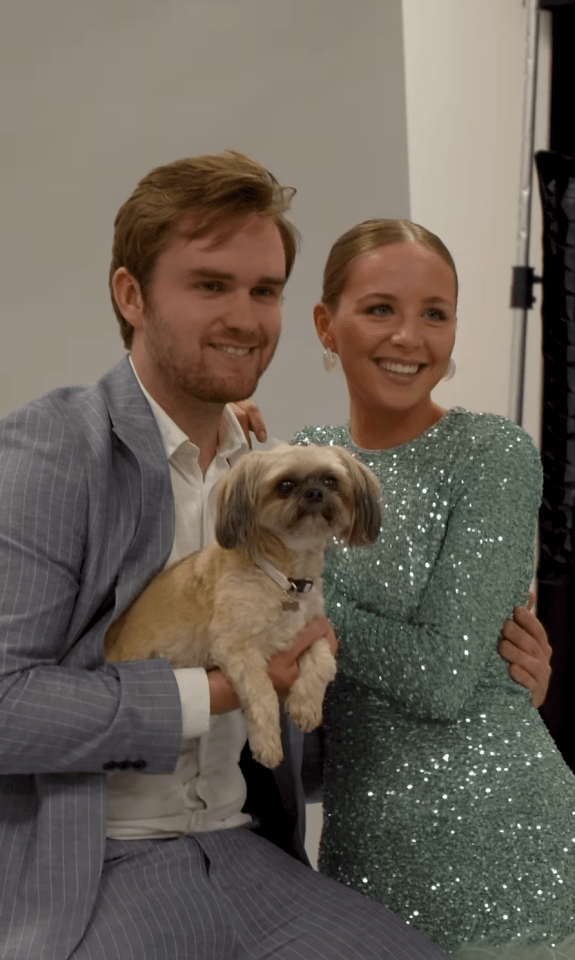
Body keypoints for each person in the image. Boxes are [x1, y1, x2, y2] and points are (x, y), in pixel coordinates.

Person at [0, 154, 547, 960]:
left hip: (247, 847)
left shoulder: (273, 468)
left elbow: (307, 716)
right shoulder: (51, 451)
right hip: (97, 866)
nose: (245, 317)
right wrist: (220, 693)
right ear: (131, 295)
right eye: (210, 285)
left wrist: (496, 691)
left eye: (264, 290)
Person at [292, 218, 575, 959]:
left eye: (434, 313)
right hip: (362, 858)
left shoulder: (492, 454)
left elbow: (443, 677)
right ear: (326, 324)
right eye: (380, 308)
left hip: (504, 850)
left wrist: (302, 606)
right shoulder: (297, 461)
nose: (408, 338)